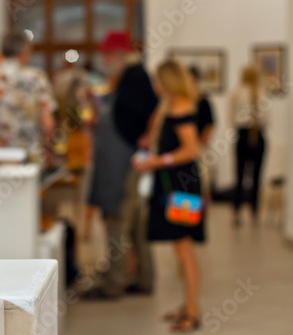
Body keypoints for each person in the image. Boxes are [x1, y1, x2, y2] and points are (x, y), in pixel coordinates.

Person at [83, 31, 158, 299]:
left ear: (117, 55)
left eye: (107, 56)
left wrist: (145, 140)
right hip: (124, 162)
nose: (105, 61)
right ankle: (144, 277)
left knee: (118, 219)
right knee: (135, 222)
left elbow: (145, 116)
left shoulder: (134, 77)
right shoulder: (129, 77)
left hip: (124, 165)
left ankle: (114, 283)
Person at [133, 60, 202, 332]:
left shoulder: (182, 108)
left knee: (185, 250)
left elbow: (191, 150)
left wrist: (157, 162)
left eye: (158, 81)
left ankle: (193, 311)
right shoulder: (170, 107)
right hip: (173, 185)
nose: (155, 86)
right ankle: (188, 305)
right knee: (180, 248)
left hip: (183, 187)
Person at [0, 30, 56, 164]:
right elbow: (48, 124)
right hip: (28, 156)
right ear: (25, 51)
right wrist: (48, 150)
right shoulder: (36, 77)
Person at [230, 65, 267, 226]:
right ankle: (252, 211)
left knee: (240, 175)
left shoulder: (239, 93)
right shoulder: (258, 92)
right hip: (254, 135)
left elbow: (231, 117)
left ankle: (239, 211)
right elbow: (266, 119)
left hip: (247, 135)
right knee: (255, 176)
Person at [189, 66, 215, 201]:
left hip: (200, 147)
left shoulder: (203, 101)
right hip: (187, 147)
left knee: (203, 182)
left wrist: (200, 144)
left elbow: (209, 125)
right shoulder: (183, 101)